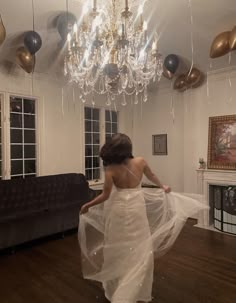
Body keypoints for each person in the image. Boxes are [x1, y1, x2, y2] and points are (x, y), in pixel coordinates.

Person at [78, 133, 208, 303]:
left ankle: (120, 281)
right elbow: (151, 175)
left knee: (117, 245)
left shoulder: (111, 169)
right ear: (128, 149)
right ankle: (134, 282)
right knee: (139, 244)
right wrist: (163, 186)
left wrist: (87, 205)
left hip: (118, 209)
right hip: (136, 207)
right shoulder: (140, 162)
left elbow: (105, 196)